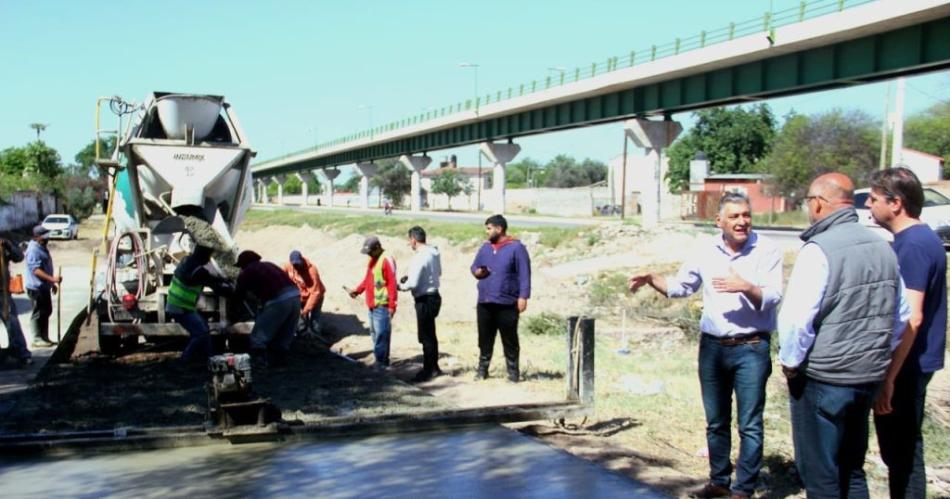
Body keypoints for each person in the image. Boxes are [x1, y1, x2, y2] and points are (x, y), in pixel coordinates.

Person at [628, 192, 782, 499]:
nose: (742, 222)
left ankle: (743, 489)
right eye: (735, 216)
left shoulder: (767, 249)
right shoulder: (704, 249)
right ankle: (719, 481)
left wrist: (748, 288)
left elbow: (774, 296)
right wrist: (652, 279)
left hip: (751, 347)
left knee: (749, 423)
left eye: (746, 215)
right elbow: (681, 287)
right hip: (713, 348)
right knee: (716, 421)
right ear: (719, 221)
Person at [778, 172, 909, 498]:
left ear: (819, 203)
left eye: (809, 202)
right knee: (852, 469)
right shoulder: (883, 247)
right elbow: (902, 316)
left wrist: (791, 363)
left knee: (821, 476)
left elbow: (796, 320)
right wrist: (877, 356)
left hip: (825, 380)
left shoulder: (818, 249)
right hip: (867, 379)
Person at [866, 167, 946, 498]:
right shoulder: (918, 239)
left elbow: (912, 317)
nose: (868, 205)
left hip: (907, 366)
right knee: (901, 450)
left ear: (895, 203)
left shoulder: (913, 245)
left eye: (873, 199)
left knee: (903, 454)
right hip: (911, 363)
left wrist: (889, 378)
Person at [470, 214, 531, 383]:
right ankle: (482, 370)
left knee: (509, 339)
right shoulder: (485, 247)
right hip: (485, 300)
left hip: (507, 302)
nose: (487, 232)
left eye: (489, 228)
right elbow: (474, 266)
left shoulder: (516, 248)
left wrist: (523, 296)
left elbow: (524, 274)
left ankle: (513, 373)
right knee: (484, 338)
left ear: (499, 229)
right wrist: (477, 272)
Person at [166, 245, 233, 363]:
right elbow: (216, 287)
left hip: (176, 304)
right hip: (181, 307)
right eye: (208, 256)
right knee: (201, 333)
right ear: (203, 256)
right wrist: (234, 292)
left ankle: (209, 357)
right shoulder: (199, 272)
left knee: (204, 329)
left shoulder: (186, 261)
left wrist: (222, 279)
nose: (208, 260)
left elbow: (209, 278)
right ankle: (185, 359)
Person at [234, 250, 301, 367]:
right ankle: (280, 363)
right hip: (295, 296)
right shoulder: (269, 265)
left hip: (279, 300)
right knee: (284, 335)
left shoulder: (248, 271)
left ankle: (259, 362)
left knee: (258, 336)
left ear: (244, 263)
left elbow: (238, 294)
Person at [397, 226, 442, 382]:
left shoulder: (419, 256)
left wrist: (400, 286)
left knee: (426, 336)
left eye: (409, 241)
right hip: (434, 295)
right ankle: (433, 367)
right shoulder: (434, 253)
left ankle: (429, 370)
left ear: (413, 240)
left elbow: (413, 283)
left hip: (424, 298)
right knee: (430, 334)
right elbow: (438, 273)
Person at [348, 235, 397, 369]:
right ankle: (380, 360)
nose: (368, 255)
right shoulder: (373, 260)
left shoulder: (386, 260)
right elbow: (368, 280)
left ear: (377, 248)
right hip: (372, 304)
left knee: (382, 334)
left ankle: (381, 363)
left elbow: (392, 284)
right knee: (375, 333)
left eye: (370, 252)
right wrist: (357, 290)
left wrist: (392, 306)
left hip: (382, 305)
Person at [25, 225, 61, 348]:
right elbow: (36, 270)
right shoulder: (33, 250)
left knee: (46, 311)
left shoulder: (41, 247)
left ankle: (44, 337)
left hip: (44, 287)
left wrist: (51, 284)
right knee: (38, 312)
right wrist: (52, 279)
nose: (47, 239)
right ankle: (36, 338)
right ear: (36, 237)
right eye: (44, 237)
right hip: (36, 288)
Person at [1, 237, 31, 367]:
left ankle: (21, 354)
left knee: (12, 323)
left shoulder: (2, 246)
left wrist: (8, 245)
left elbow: (19, 257)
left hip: (2, 294)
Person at [282, 250, 326, 336]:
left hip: (316, 295)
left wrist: (306, 310)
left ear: (302, 260)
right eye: (295, 265)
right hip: (301, 295)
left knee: (314, 318)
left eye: (298, 264)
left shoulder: (312, 270)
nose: (297, 266)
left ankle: (316, 337)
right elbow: (281, 276)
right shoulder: (288, 266)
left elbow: (315, 293)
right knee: (300, 318)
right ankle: (302, 334)